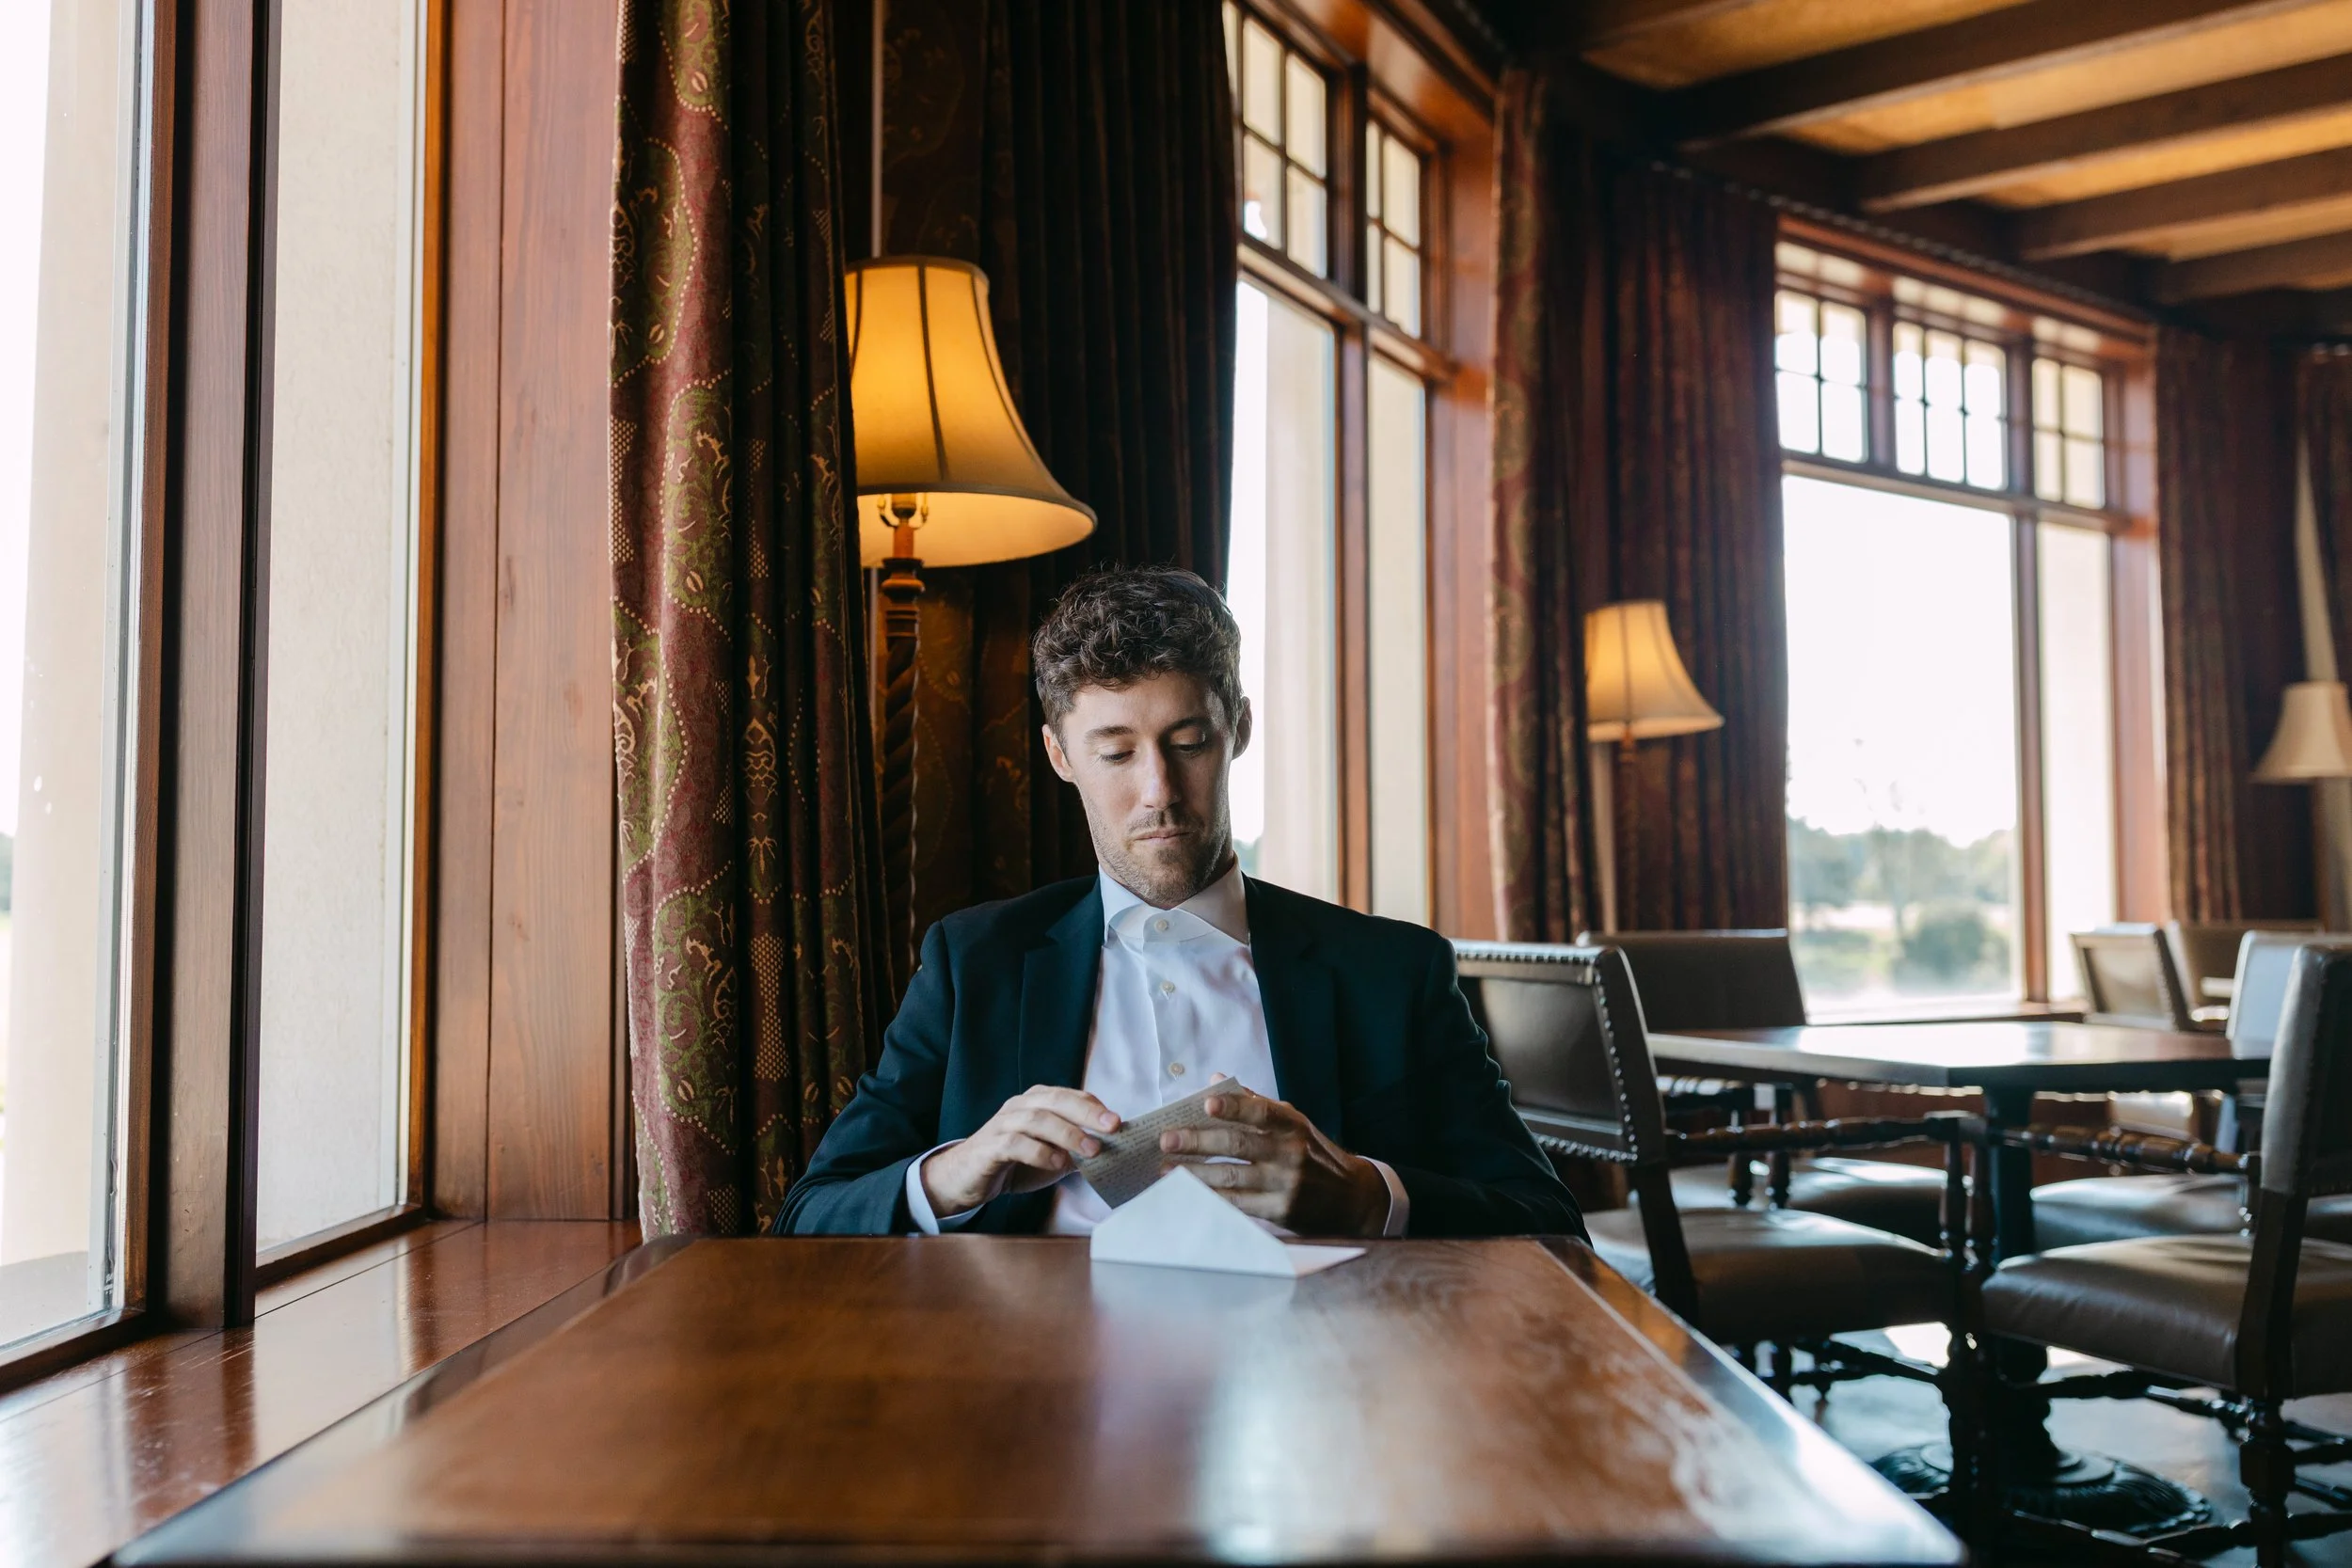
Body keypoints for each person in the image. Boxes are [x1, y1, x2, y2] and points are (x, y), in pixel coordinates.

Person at [776, 566, 1581, 1240]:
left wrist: (1368, 1195)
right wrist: (953, 1174)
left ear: (1239, 729)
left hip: (1319, 1371)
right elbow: (808, 1214)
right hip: (1031, 1381)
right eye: (1117, 752)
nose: (1158, 792)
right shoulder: (972, 962)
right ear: (1060, 755)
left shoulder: (1393, 971)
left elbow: (1548, 1222)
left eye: (1189, 742)